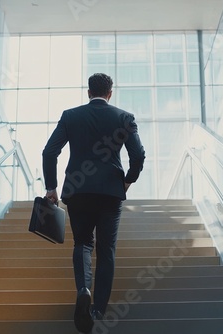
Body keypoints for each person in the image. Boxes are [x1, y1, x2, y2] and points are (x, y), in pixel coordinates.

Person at [42, 73, 145, 333]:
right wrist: (128, 181)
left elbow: (49, 152)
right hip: (110, 191)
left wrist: (51, 188)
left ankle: (83, 290)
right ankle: (98, 308)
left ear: (89, 92)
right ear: (110, 93)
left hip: (77, 191)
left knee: (83, 244)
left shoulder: (70, 116)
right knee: (106, 249)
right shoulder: (124, 117)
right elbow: (138, 154)